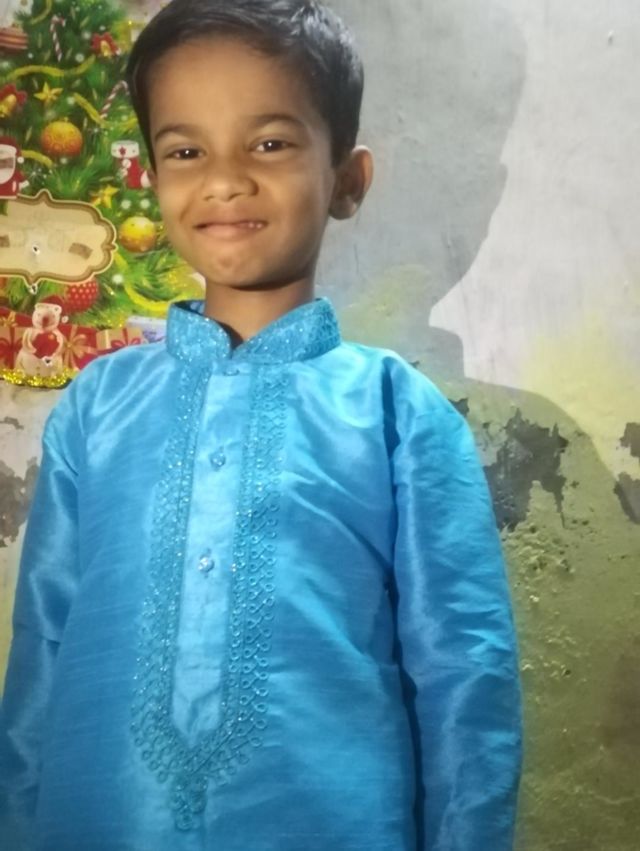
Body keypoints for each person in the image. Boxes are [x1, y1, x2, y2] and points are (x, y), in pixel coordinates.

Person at [0, 1, 522, 848]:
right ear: (154, 176)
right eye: (185, 150)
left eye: (270, 143)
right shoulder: (97, 407)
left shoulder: (397, 416)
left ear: (347, 179)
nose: (225, 179)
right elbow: (42, 654)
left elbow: (467, 677)